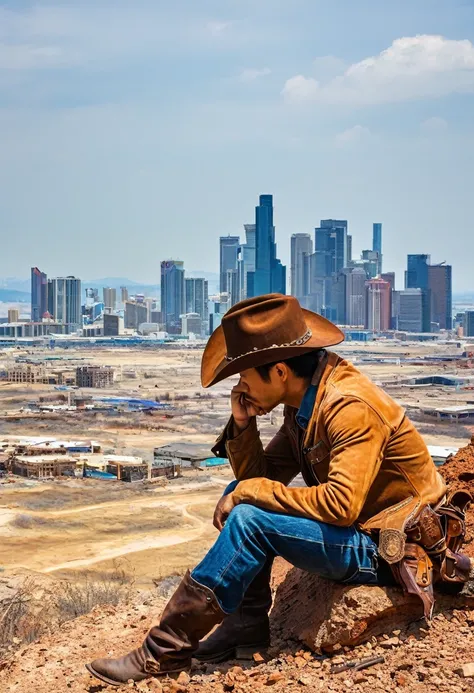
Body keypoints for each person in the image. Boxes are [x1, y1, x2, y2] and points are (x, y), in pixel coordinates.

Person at [86, 293, 451, 686]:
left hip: (394, 550)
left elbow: (341, 506)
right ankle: (245, 628)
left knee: (249, 517)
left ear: (279, 372)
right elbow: (261, 477)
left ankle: (163, 652)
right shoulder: (305, 403)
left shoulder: (349, 406)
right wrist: (242, 426)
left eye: (245, 378)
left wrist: (251, 492)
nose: (241, 387)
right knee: (242, 494)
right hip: (364, 534)